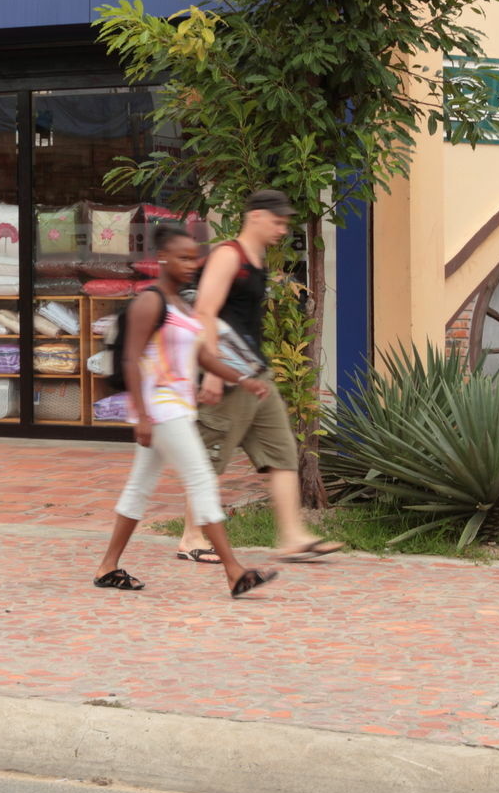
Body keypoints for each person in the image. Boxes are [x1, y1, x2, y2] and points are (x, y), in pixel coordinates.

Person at [93, 225, 278, 598]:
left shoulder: (181, 305)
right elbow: (130, 358)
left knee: (140, 487)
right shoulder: (151, 301)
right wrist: (142, 416)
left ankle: (108, 566)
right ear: (162, 258)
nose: (192, 264)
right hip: (161, 410)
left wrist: (242, 379)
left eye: (194, 257)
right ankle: (234, 572)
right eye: (183, 257)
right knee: (201, 480)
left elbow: (204, 355)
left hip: (177, 407)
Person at [176, 189, 342, 565]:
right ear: (255, 217)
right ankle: (191, 536)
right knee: (209, 457)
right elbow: (204, 311)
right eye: (278, 221)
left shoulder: (258, 258)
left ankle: (292, 537)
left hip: (255, 373)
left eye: (285, 222)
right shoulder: (227, 255)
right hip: (228, 373)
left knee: (282, 452)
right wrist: (214, 373)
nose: (282, 229)